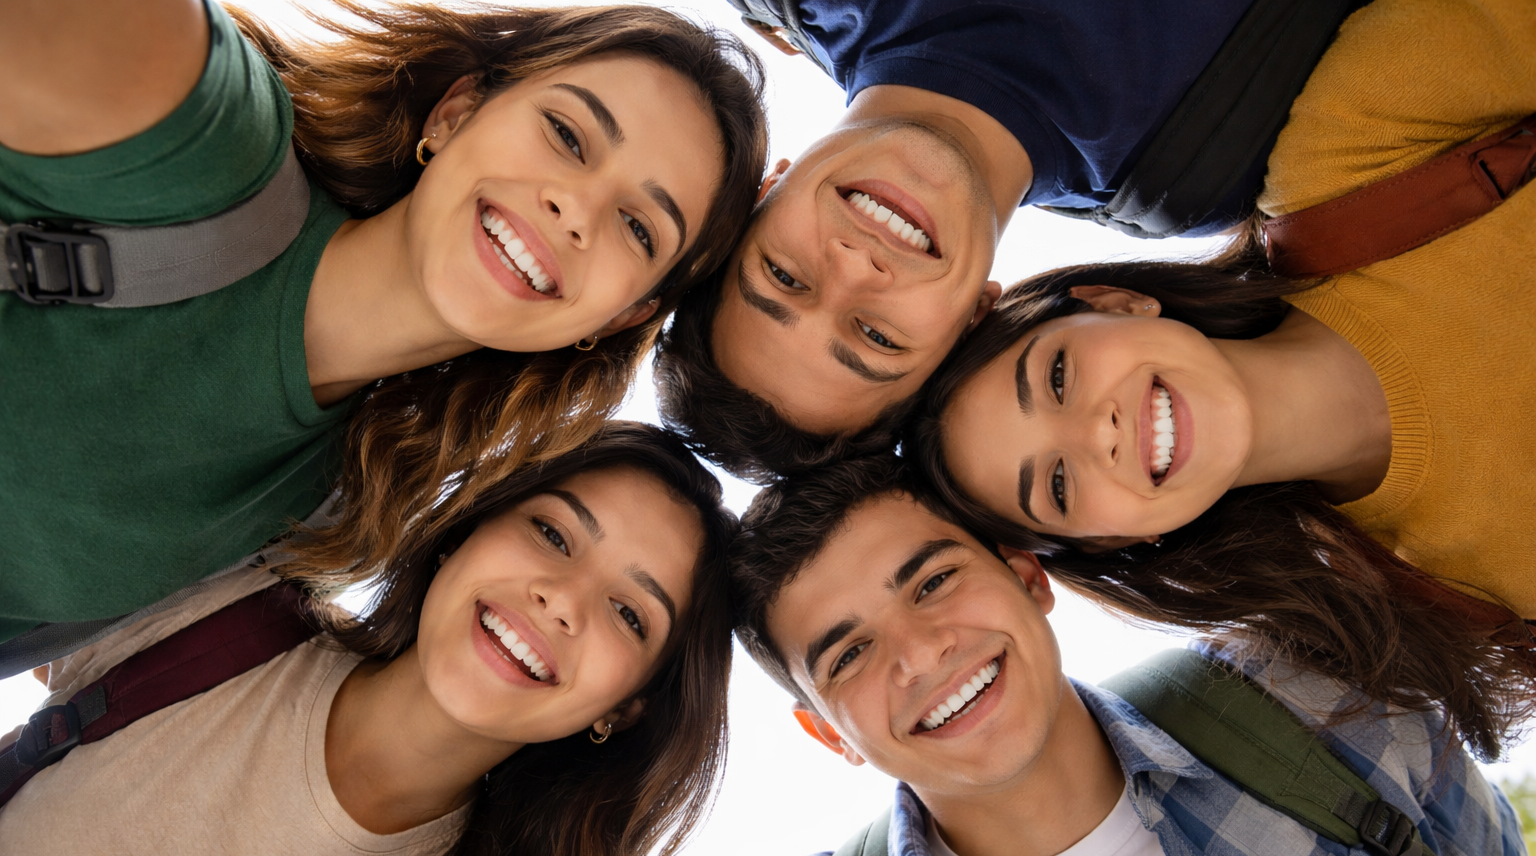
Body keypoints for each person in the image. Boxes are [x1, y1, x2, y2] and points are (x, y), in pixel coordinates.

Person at [0, 0, 768, 647]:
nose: (578, 210)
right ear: (457, 112)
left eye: (639, 229)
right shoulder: (200, 129)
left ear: (620, 315)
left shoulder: (337, 509)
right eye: (567, 135)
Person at [907, 0, 1536, 759]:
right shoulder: (1455, 605)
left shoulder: (1351, 161)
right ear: (1117, 540)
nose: (1097, 433)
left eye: (1060, 376)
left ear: (1116, 304)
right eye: (1060, 487)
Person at [652, 0, 1386, 481]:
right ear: (976, 319)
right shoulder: (1199, 173)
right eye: (874, 334)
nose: (854, 267)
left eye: (784, 278)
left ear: (758, 189)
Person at [0, 422, 737, 856]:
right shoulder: (226, 608)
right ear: (465, 534)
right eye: (551, 533)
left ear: (628, 707)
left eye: (630, 614)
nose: (562, 600)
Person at [729, 455, 1525, 856]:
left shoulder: (1309, 698)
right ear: (830, 736)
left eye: (933, 582)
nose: (920, 652)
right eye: (850, 653)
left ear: (1026, 576)